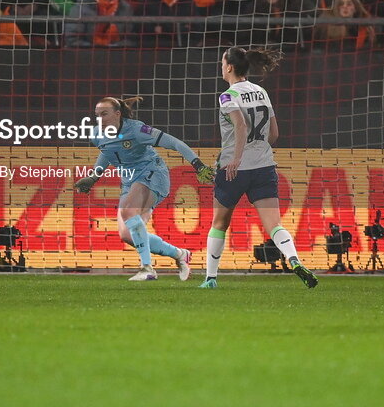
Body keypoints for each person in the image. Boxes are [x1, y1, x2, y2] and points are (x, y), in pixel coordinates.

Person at [201, 47, 319, 290]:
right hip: (264, 167)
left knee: (219, 223)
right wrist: (258, 150)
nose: (221, 67)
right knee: (274, 225)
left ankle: (210, 279)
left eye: (222, 63)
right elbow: (274, 134)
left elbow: (241, 126)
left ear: (229, 67)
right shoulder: (261, 91)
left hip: (233, 169)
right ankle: (294, 259)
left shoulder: (227, 96)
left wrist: (237, 158)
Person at [74, 96, 214, 281]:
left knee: (128, 211)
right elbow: (107, 152)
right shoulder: (96, 134)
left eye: (104, 114)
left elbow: (174, 142)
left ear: (118, 114)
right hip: (129, 181)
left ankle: (147, 268)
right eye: (97, 115)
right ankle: (180, 254)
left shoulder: (137, 130)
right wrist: (94, 176)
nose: (100, 119)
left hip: (152, 173)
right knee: (126, 234)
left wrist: (198, 164)